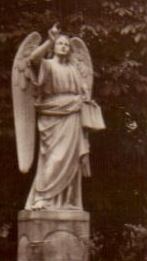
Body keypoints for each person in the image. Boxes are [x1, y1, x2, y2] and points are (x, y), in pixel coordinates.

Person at [12, 26, 102, 211]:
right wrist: (49, 41)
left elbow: (83, 92)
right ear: (54, 47)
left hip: (73, 116)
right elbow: (33, 59)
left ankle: (68, 201)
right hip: (52, 117)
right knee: (53, 159)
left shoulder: (74, 69)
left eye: (66, 45)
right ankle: (43, 197)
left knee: (71, 161)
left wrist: (85, 100)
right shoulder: (47, 65)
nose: (63, 47)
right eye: (60, 44)